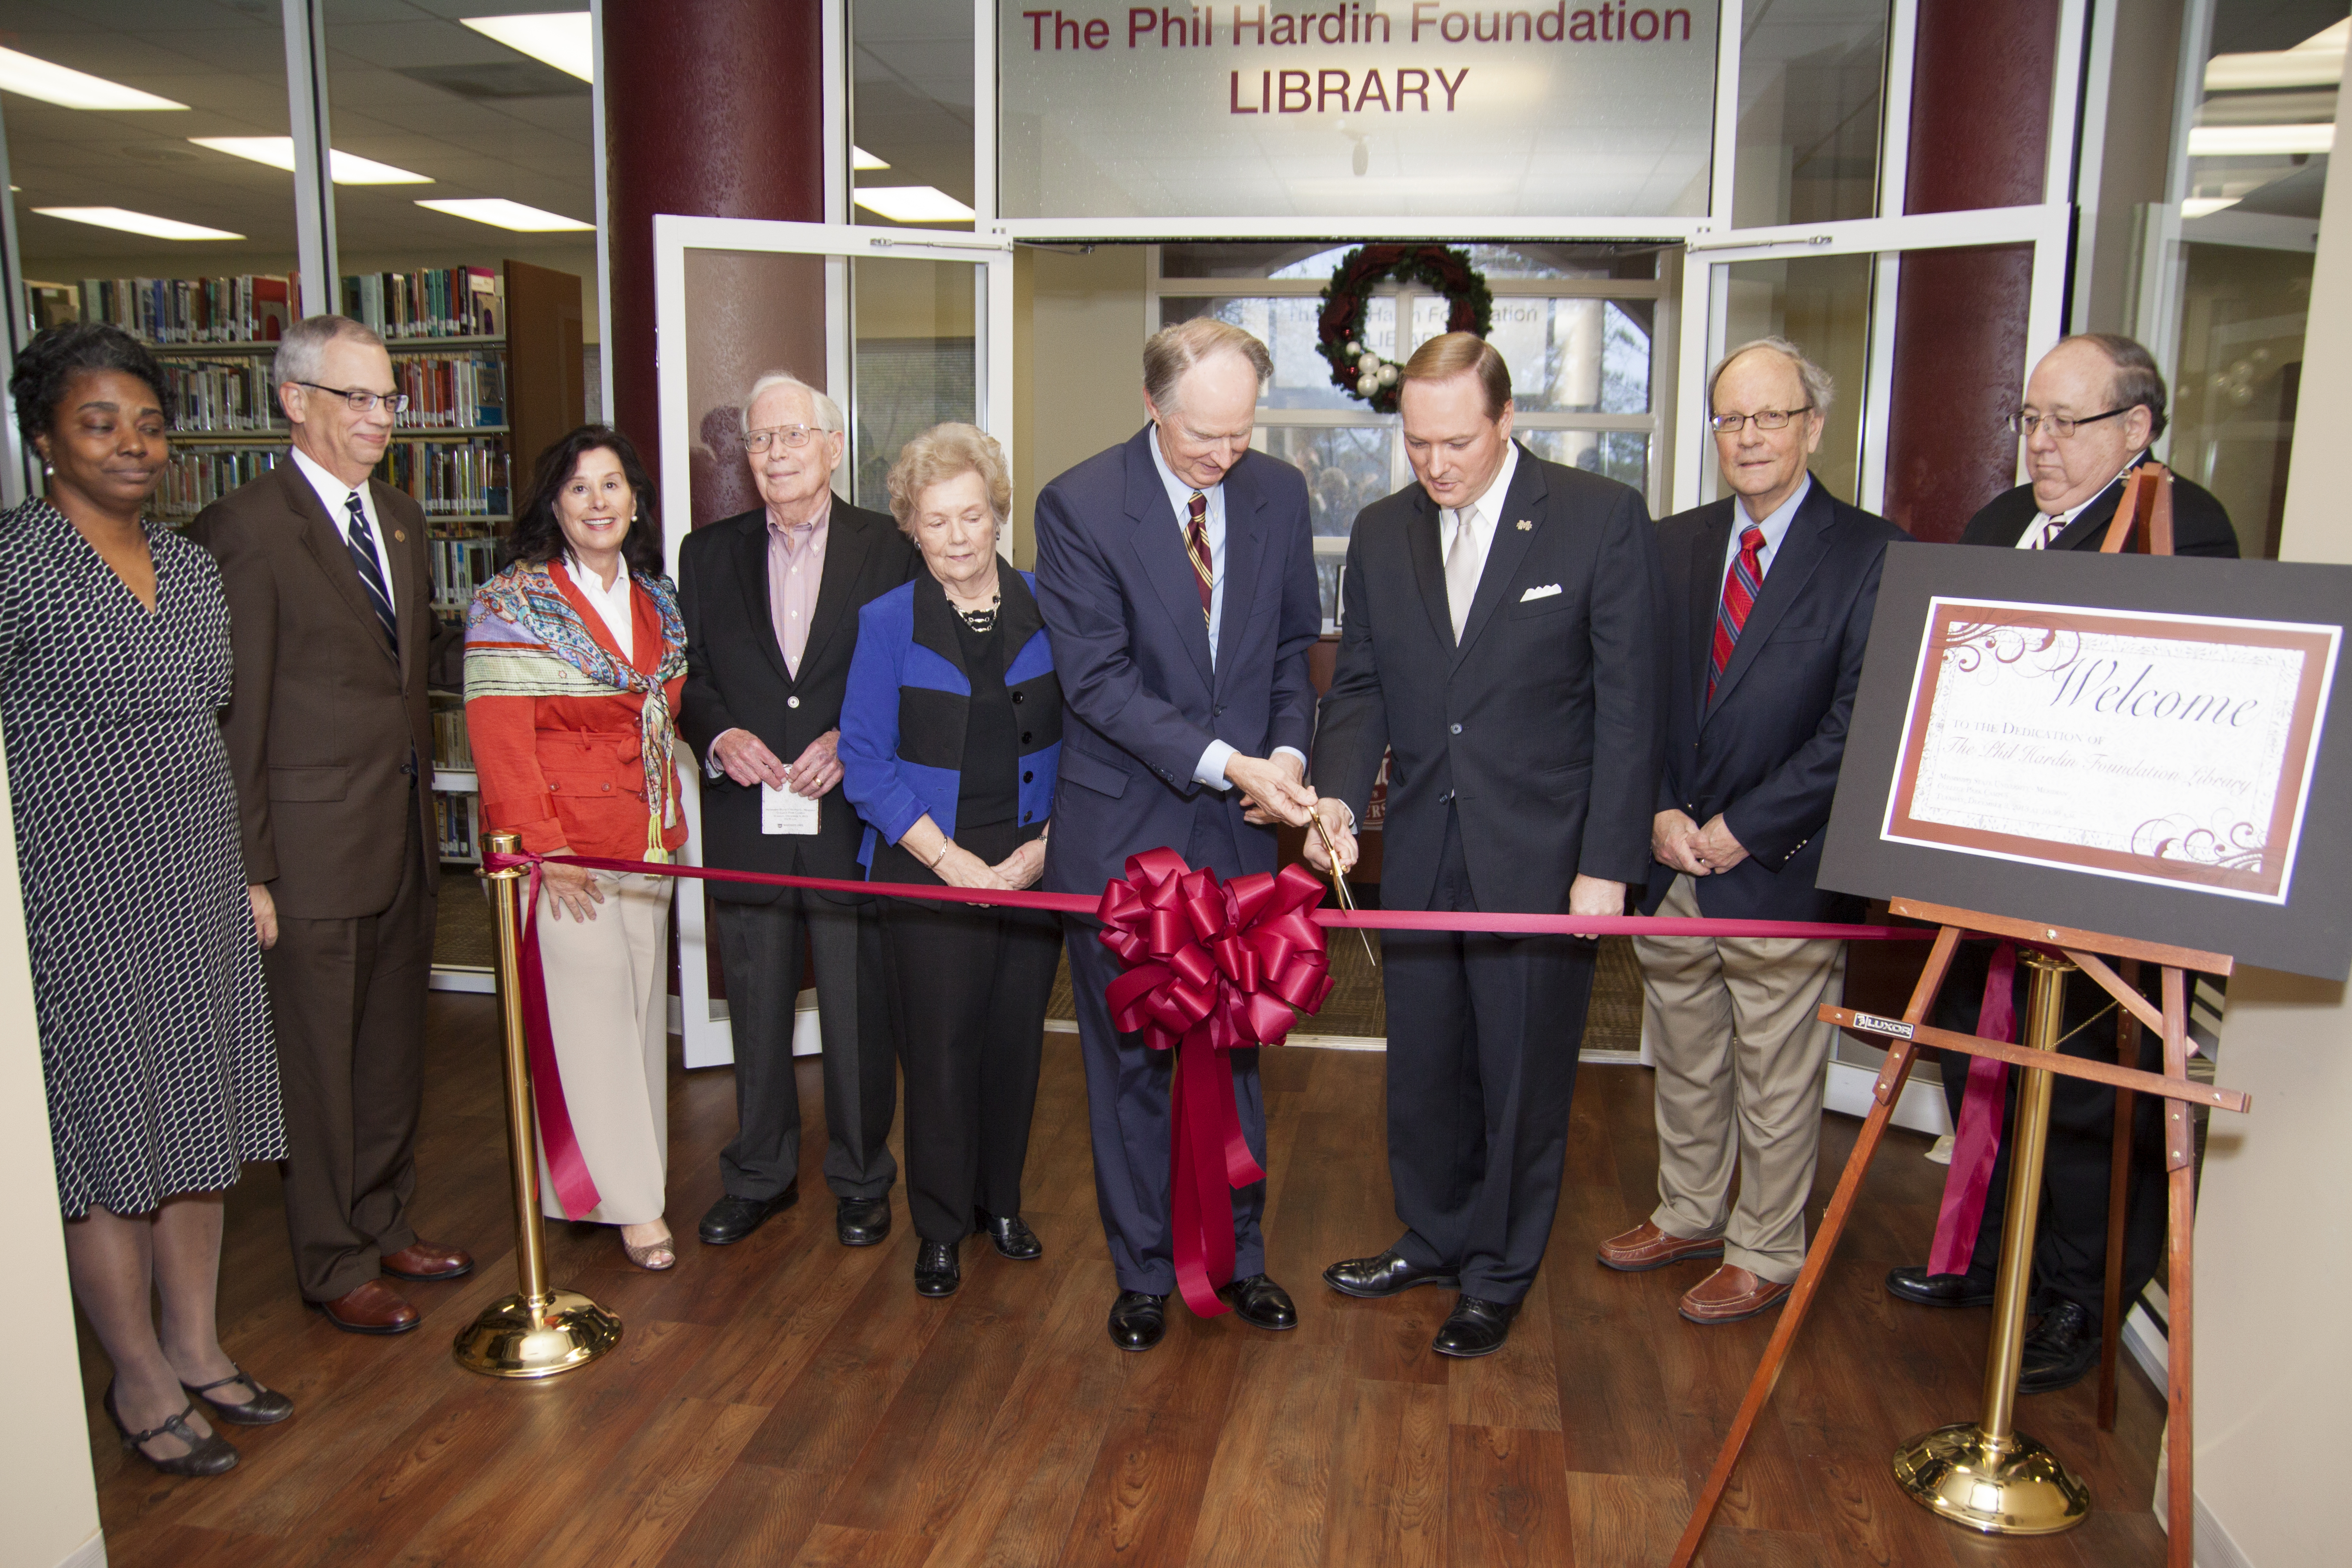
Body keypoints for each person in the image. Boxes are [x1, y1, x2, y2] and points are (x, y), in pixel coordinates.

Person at [1885, 333, 2236, 1392]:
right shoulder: (2002, 522)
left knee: (2083, 1105)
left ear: (2136, 430)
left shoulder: (2178, 527)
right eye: (2030, 419)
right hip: (1986, 858)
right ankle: (1996, 1262)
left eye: (2063, 423)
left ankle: (2076, 1301)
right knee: (1976, 1064)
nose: (2039, 442)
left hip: (2098, 884)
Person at [1311, 333, 1663, 1358]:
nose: (1435, 464)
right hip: (1422, 845)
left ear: (1507, 420)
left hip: (1546, 859)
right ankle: (1433, 1234)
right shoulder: (1381, 533)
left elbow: (1629, 711)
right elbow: (1364, 683)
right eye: (1417, 443)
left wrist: (1607, 867)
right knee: (1422, 1059)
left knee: (1518, 1071)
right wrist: (1337, 799)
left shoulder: (1598, 521)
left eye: (1456, 440)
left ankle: (1499, 1270)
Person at [0, 323, 292, 1475]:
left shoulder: (194, 565)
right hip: (75, 892)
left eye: (149, 423)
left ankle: (200, 1346)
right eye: (98, 422)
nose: (132, 444)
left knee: (198, 1120)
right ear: (43, 439)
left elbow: (215, 722)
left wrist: (243, 876)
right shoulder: (17, 562)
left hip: (194, 876)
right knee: (110, 1137)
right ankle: (137, 1377)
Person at [1595, 338, 1905, 1324]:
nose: (1750, 436)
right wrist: (1658, 812)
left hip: (1782, 862)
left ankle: (1766, 1249)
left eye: (1772, 416)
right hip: (1670, 855)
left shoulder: (1873, 555)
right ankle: (1688, 1210)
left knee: (1778, 1078)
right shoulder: (1670, 543)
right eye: (1732, 418)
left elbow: (1858, 728)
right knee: (1683, 1052)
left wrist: (1741, 828)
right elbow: (1631, 696)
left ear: (1815, 426)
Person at [1033, 317, 1322, 1353]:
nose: (1224, 456)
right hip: (1128, 829)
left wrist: (1284, 759)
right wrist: (1225, 760)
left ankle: (1242, 1259)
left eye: (1241, 434)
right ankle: (1146, 1270)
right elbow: (1099, 683)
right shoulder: (1078, 505)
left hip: (1242, 829)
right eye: (1205, 436)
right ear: (1152, 405)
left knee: (1236, 1050)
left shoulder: (1279, 494)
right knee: (1132, 1064)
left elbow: (1295, 650)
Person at [190, 315, 472, 1335]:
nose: (381, 418)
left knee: (393, 1047)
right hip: (305, 856)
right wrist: (251, 870)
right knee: (317, 1064)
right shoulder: (244, 531)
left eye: (389, 398)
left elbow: (416, 660)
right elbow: (239, 717)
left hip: (399, 836)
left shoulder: (399, 516)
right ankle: (331, 1256)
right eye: (356, 397)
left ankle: (385, 1218)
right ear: (293, 400)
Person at [678, 374, 916, 1249]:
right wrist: (720, 733)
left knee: (858, 1007)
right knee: (756, 999)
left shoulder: (889, 547)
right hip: (748, 812)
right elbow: (689, 673)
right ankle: (760, 1173)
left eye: (792, 436)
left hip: (850, 813)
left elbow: (907, 672)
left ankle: (861, 1176)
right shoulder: (705, 555)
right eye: (761, 441)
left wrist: (852, 744)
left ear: (832, 445)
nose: (775, 454)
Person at [840, 425, 1062, 1298]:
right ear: (913, 528)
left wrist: (1047, 849)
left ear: (997, 515)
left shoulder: (1049, 604)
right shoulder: (887, 621)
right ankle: (939, 1226)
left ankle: (997, 1203)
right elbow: (864, 761)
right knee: (938, 1052)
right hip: (928, 869)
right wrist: (952, 864)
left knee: (1014, 1044)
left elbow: (1086, 742)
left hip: (1032, 867)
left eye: (973, 515)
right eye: (938, 522)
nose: (959, 536)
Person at [465, 427, 686, 1269]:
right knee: (587, 1020)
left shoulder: (657, 599)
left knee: (632, 1020)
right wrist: (541, 849)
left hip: (649, 839)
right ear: (553, 504)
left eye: (613, 485)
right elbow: (500, 738)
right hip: (565, 854)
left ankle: (594, 1183)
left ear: (636, 501)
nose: (599, 502)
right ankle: (634, 1206)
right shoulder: (510, 601)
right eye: (579, 488)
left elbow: (665, 715)